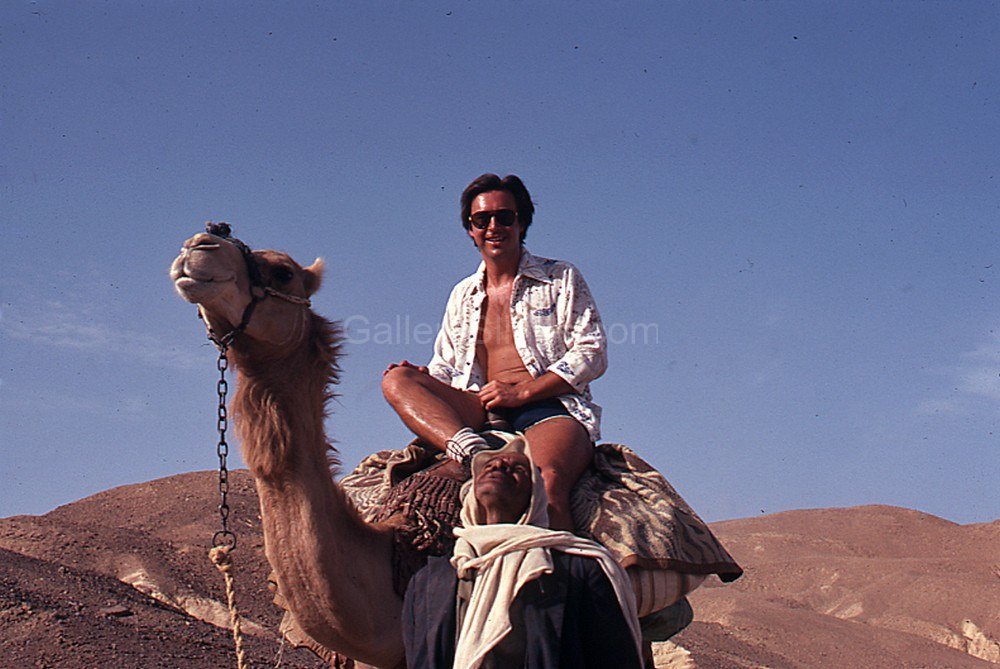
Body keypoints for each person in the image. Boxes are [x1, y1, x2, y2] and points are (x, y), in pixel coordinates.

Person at [382, 173, 607, 530]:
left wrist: (523, 392)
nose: (493, 227)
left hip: (547, 408)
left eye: (504, 217)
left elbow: (591, 350)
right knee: (397, 380)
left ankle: (555, 563)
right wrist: (426, 378)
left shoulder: (560, 277)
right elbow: (446, 366)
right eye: (481, 219)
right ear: (470, 229)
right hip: (477, 410)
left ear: (521, 223)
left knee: (545, 485)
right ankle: (471, 452)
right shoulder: (462, 294)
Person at [402, 437, 643, 669]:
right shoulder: (429, 579)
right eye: (488, 466)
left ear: (535, 498)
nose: (498, 466)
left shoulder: (578, 569)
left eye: (518, 469)